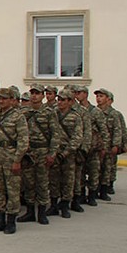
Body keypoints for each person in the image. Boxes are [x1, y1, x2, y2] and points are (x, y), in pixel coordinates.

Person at [0, 87, 29, 234]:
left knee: (12, 190)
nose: (1, 101)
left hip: (10, 156)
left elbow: (23, 140)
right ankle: (0, 219)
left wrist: (17, 160)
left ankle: (11, 221)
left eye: (4, 98)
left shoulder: (18, 116)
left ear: (11, 100)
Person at [18, 83, 56, 224]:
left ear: (42, 95)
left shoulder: (49, 112)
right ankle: (29, 212)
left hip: (42, 151)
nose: (34, 96)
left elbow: (55, 134)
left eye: (37, 93)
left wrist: (52, 154)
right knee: (28, 183)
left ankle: (41, 212)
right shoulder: (24, 113)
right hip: (28, 152)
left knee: (42, 182)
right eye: (32, 93)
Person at [46, 88, 84, 218]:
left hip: (68, 154)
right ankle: (53, 204)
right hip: (54, 152)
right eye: (59, 99)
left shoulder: (75, 116)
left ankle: (65, 205)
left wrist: (66, 152)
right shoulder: (52, 113)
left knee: (68, 180)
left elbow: (77, 137)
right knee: (53, 179)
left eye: (63, 100)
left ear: (70, 101)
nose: (60, 102)